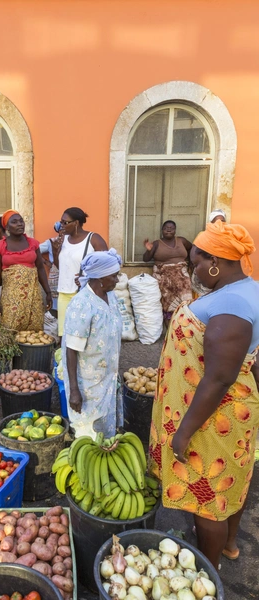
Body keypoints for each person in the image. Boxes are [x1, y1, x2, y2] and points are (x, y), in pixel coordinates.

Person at [149, 220, 259, 569]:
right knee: (233, 483)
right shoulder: (246, 289)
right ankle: (229, 545)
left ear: (216, 261)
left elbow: (219, 378)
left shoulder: (232, 308)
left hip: (214, 418)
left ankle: (207, 574)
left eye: (196, 262)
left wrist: (183, 433)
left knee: (208, 500)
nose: (192, 269)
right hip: (230, 409)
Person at [62, 248, 123, 438]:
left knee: (106, 426)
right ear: (100, 278)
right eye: (114, 276)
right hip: (87, 382)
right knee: (88, 431)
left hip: (107, 376)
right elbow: (71, 350)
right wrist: (74, 391)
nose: (117, 280)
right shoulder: (82, 304)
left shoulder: (111, 297)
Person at [0, 210, 51, 331]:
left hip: (33, 295)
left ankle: (33, 351)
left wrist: (48, 292)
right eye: (14, 222)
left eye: (21, 221)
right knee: (11, 328)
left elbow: (40, 268)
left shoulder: (33, 244)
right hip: (11, 297)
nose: (20, 224)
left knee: (34, 329)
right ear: (6, 227)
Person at [53, 207, 108, 337]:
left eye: (65, 223)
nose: (61, 226)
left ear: (76, 223)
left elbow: (107, 266)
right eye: (61, 222)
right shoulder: (63, 239)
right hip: (64, 292)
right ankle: (65, 357)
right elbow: (61, 266)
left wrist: (87, 276)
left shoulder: (93, 239)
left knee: (83, 333)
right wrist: (56, 250)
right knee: (64, 333)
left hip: (85, 293)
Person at [143, 220, 192, 324]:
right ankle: (169, 326)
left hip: (182, 276)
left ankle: (184, 323)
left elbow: (192, 249)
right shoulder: (156, 243)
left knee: (185, 300)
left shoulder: (182, 241)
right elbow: (146, 259)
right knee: (167, 301)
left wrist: (192, 264)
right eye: (166, 228)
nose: (169, 230)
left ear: (175, 230)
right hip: (164, 276)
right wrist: (149, 250)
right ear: (162, 231)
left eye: (171, 228)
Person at [39, 222, 62, 317]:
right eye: (61, 230)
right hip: (56, 272)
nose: (64, 232)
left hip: (70, 271)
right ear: (58, 231)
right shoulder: (51, 242)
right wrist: (45, 261)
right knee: (55, 297)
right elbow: (34, 251)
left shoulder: (74, 242)